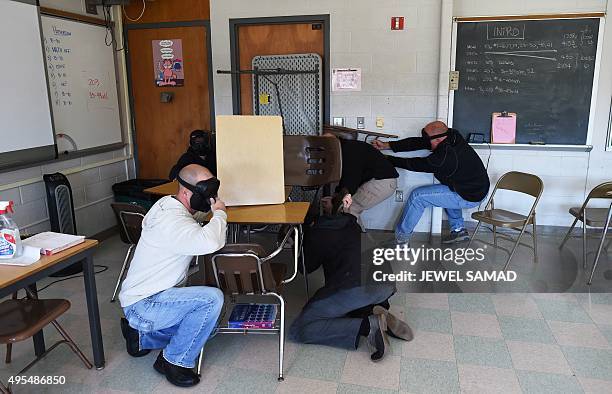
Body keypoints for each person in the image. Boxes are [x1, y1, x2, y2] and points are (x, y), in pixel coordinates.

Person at [118, 164, 226, 388]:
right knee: (212, 301)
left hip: (150, 298)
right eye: (206, 194)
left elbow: (192, 221)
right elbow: (211, 242)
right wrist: (221, 213)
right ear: (186, 193)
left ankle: (140, 337)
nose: (211, 198)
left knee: (210, 326)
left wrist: (211, 211)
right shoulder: (173, 221)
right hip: (145, 304)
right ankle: (174, 362)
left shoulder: (169, 204)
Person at [290, 192, 413, 362]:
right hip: (386, 284)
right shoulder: (352, 224)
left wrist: (297, 241)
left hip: (356, 288)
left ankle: (368, 325)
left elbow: (304, 268)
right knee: (352, 303)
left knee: (300, 328)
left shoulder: (318, 232)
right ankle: (375, 310)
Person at [372, 121, 490, 245]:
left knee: (418, 197)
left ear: (438, 140)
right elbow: (417, 142)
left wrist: (387, 159)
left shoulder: (444, 157)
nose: (425, 142)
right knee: (447, 191)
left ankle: (401, 240)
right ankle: (458, 230)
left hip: (470, 195)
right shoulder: (452, 135)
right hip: (473, 187)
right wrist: (387, 145)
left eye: (427, 139)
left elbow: (415, 164)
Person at [324, 133, 399, 230]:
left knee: (348, 209)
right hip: (383, 182)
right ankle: (357, 239)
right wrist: (335, 197)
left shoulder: (349, 152)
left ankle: (352, 241)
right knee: (351, 208)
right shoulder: (347, 148)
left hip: (381, 182)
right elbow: (347, 180)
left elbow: (349, 184)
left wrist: (334, 202)